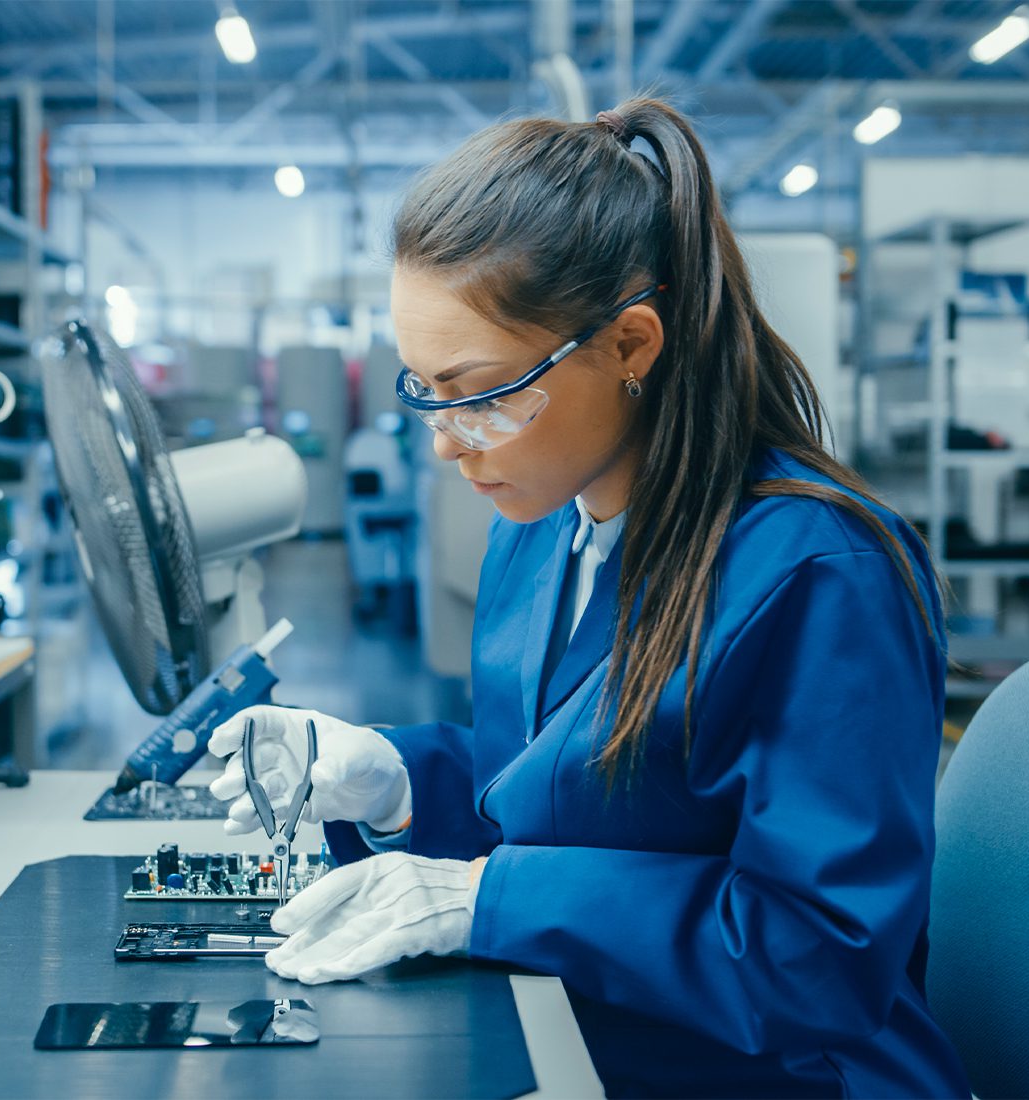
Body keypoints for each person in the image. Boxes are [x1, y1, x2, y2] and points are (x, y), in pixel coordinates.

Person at [208, 97, 971, 1098]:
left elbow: (814, 954)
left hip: (786, 1074)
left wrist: (485, 898)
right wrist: (394, 779)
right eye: (420, 386)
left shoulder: (818, 572)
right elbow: (558, 795)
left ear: (629, 345)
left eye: (478, 391)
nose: (445, 441)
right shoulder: (540, 528)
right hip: (587, 1036)